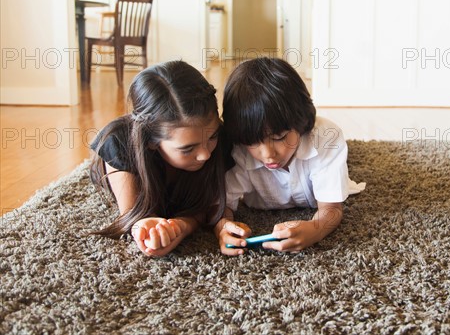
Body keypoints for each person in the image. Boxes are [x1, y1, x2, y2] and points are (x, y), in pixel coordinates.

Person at [215, 57, 365, 255]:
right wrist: (223, 227)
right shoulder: (238, 148)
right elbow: (222, 208)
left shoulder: (326, 138)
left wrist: (316, 229)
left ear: (301, 122)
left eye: (280, 137)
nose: (268, 154)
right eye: (253, 143)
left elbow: (332, 209)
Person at [90, 60, 226, 257]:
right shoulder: (119, 143)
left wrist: (182, 226)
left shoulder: (220, 138)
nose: (205, 154)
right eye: (188, 148)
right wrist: (144, 226)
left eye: (212, 137)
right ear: (151, 141)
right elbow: (131, 214)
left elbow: (210, 205)